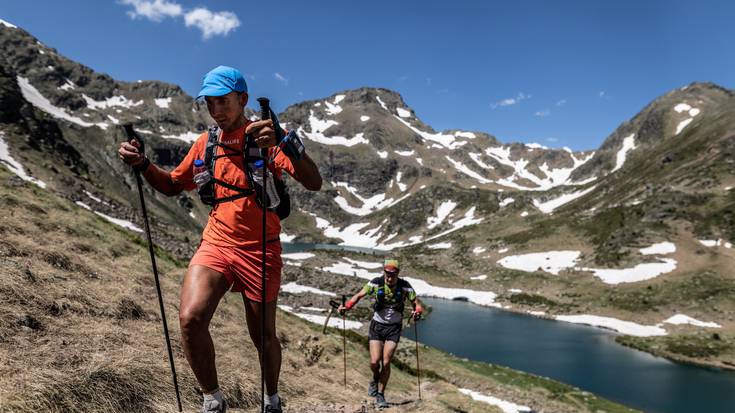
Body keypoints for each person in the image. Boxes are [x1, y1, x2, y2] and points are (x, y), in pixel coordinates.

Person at [118, 65, 322, 413]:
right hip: (216, 243)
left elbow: (313, 182)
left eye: (224, 102)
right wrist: (142, 164)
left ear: (242, 99)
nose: (217, 111)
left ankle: (271, 398)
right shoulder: (205, 143)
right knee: (190, 319)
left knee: (262, 336)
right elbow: (170, 185)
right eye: (210, 104)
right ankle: (212, 400)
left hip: (261, 248)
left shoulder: (266, 136)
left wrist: (284, 142)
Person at [338, 259, 423, 409]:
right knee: (374, 362)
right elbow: (358, 295)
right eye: (387, 274)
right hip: (377, 326)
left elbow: (416, 302)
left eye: (393, 274)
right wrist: (347, 306)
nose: (389, 277)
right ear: (384, 272)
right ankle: (374, 379)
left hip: (394, 328)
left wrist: (417, 311)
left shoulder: (405, 286)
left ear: (398, 273)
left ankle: (380, 394)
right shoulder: (376, 283)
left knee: (386, 361)